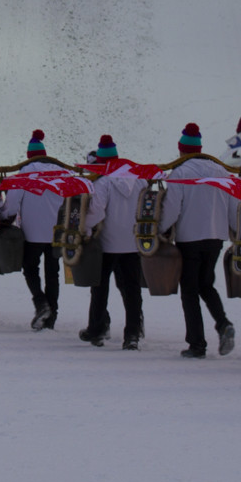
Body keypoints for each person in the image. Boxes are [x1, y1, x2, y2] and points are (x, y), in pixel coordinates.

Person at [160, 123, 237, 358]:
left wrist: (161, 230)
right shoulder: (221, 171)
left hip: (190, 238)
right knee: (206, 284)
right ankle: (223, 323)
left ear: (181, 149)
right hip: (216, 237)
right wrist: (234, 231)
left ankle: (197, 343)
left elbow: (172, 209)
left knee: (190, 290)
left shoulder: (180, 173)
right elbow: (234, 206)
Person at [80, 135, 145, 350]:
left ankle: (97, 329)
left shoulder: (104, 181)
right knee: (132, 289)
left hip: (107, 243)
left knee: (99, 287)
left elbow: (97, 210)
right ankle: (133, 333)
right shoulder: (138, 179)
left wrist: (85, 227)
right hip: (132, 242)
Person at [0, 130, 64, 330]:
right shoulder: (61, 173)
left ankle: (40, 303)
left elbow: (11, 205)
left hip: (32, 232)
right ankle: (51, 316)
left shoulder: (24, 174)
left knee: (30, 269)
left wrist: (2, 218)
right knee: (52, 272)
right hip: (57, 232)